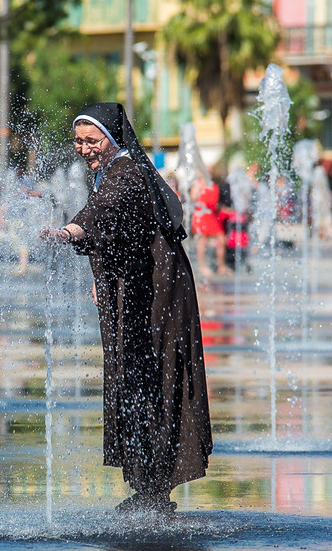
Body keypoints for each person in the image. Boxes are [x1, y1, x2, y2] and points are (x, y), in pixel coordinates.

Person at [42, 103, 213, 513]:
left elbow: (103, 212)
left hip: (157, 292)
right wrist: (100, 280)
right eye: (78, 142)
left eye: (91, 140)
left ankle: (156, 487)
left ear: (113, 138)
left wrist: (69, 230)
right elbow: (112, 231)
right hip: (134, 287)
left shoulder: (127, 171)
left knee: (152, 377)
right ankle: (148, 486)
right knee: (131, 377)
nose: (84, 149)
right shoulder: (105, 171)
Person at [191, 176, 231, 277]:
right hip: (202, 215)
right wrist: (198, 189)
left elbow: (215, 203)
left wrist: (224, 209)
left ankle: (221, 266)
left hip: (212, 215)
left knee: (221, 239)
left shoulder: (213, 185)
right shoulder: (198, 183)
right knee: (202, 240)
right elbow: (192, 199)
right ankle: (202, 267)